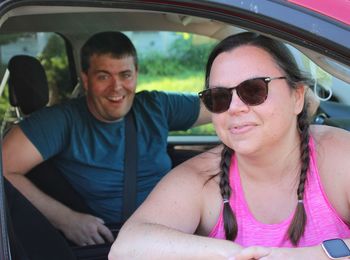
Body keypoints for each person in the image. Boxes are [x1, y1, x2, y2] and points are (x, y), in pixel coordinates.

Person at [109, 32, 350, 259]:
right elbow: (126, 247)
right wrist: (236, 254)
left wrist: (303, 256)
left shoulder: (337, 155)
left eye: (254, 89)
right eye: (220, 97)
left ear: (297, 97)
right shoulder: (201, 178)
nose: (234, 107)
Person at [2, 31, 210, 247]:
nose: (116, 87)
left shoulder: (156, 106)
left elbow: (223, 108)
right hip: (114, 242)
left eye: (125, 75)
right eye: (103, 76)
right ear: (86, 79)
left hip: (180, 234)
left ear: (136, 74)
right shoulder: (62, 121)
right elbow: (4, 168)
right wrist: (67, 220)